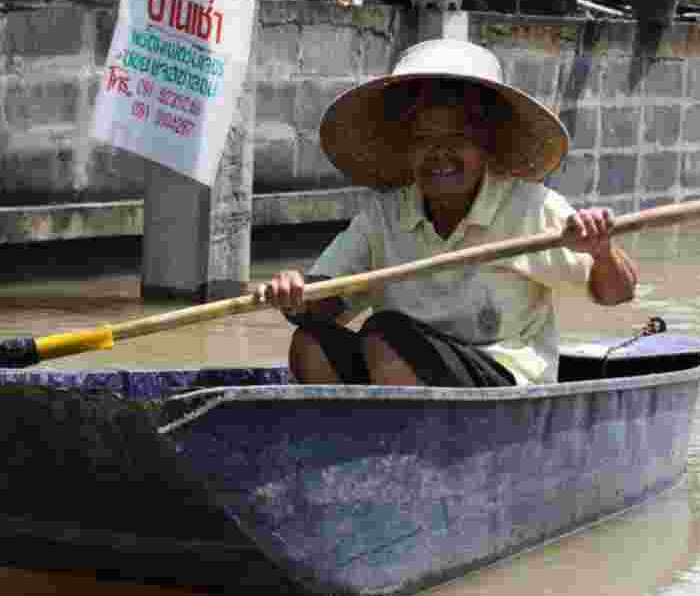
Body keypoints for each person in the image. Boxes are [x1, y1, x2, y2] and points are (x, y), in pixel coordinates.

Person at [256, 39, 639, 387]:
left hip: (501, 382)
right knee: (311, 342)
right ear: (407, 148)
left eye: (457, 139)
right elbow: (325, 305)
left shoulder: (529, 207)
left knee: (385, 336)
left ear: (486, 145)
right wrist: (295, 297)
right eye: (425, 140)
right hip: (398, 368)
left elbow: (617, 293)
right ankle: (362, 440)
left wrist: (602, 251)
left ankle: (406, 449)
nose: (440, 154)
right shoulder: (384, 217)